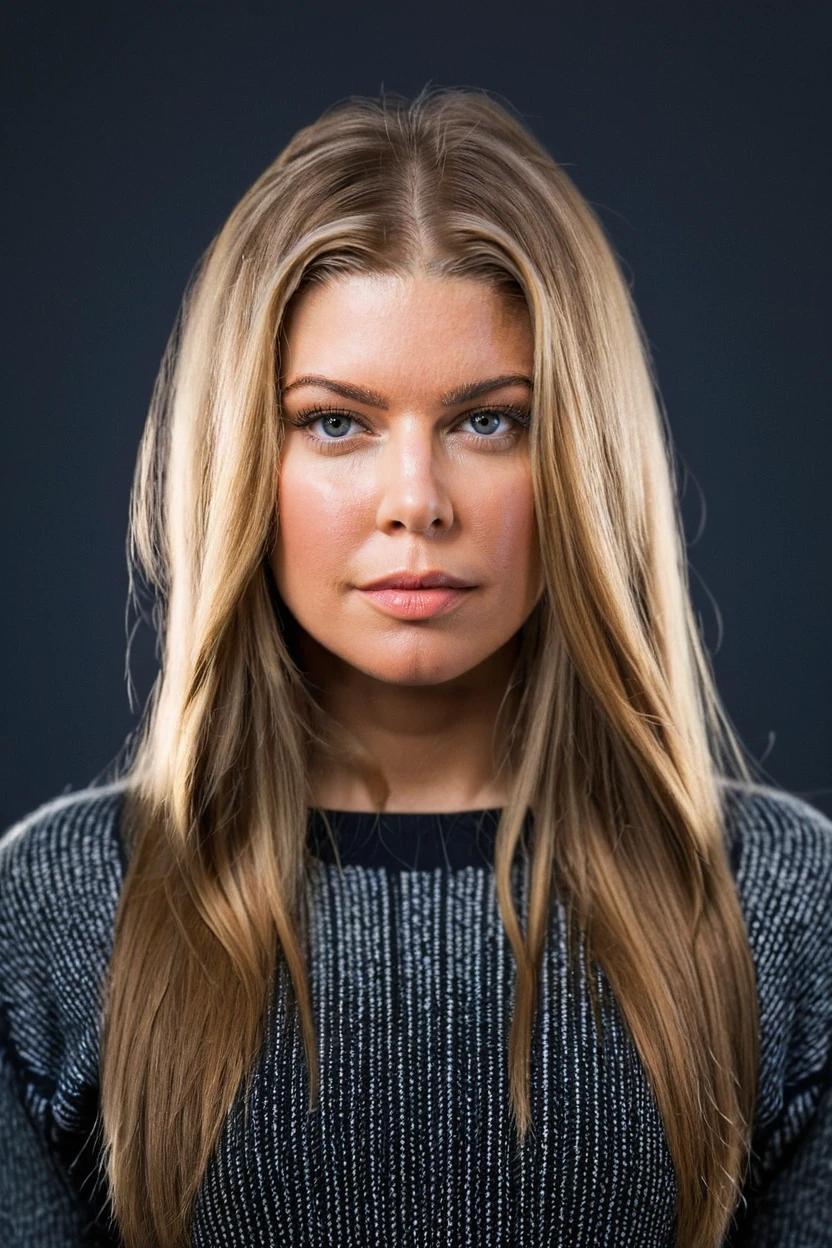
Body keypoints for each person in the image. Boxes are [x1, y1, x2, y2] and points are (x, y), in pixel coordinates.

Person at [1, 86, 830, 1248]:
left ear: (583, 457)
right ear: (244, 456)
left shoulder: (780, 913)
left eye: (487, 421)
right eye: (336, 422)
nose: (416, 504)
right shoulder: (52, 917)